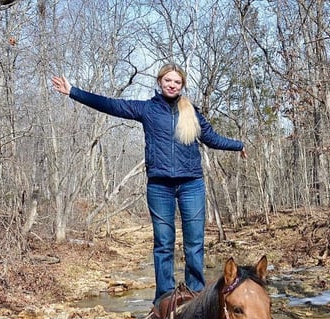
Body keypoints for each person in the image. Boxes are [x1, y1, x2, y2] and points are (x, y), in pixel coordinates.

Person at [52, 64, 247, 306]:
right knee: (163, 243)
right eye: (167, 80)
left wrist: (238, 145)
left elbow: (212, 138)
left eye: (176, 81)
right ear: (160, 82)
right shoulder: (146, 109)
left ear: (182, 85)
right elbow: (110, 105)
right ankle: (164, 296)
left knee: (194, 242)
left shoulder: (192, 113)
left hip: (191, 184)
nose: (172, 85)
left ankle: (195, 292)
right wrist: (73, 91)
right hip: (160, 186)